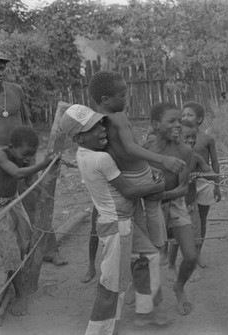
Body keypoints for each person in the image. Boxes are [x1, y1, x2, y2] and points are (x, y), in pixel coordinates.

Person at [60, 105, 167, 334]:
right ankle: (98, 331)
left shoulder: (85, 154)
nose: (101, 130)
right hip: (117, 226)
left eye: (100, 123)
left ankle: (145, 311)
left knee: (150, 256)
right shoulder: (101, 160)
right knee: (111, 285)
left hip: (121, 223)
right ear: (79, 137)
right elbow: (128, 191)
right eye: (93, 128)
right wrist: (157, 186)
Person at [81, 70, 184, 284]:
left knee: (137, 217)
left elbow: (118, 150)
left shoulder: (100, 120)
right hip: (134, 177)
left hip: (129, 175)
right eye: (123, 94)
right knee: (153, 209)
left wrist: (149, 164)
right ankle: (156, 247)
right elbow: (128, 147)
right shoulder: (115, 117)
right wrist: (162, 160)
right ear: (105, 100)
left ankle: (146, 253)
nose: (127, 98)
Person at [0, 47, 67, 266]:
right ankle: (14, 256)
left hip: (23, 154)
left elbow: (27, 120)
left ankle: (50, 250)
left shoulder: (16, 90)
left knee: (34, 199)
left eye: (1, 67)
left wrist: (32, 149)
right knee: (5, 205)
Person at [0, 125, 57, 316]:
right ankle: (20, 294)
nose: (27, 159)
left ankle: (15, 273)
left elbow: (28, 180)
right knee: (11, 250)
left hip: (13, 200)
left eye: (31, 155)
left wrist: (42, 192)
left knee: (25, 242)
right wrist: (42, 164)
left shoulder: (22, 158)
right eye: (25, 155)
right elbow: (17, 174)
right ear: (10, 146)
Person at [148, 102, 198, 316]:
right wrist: (154, 198)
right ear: (155, 125)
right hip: (150, 204)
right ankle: (141, 289)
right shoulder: (146, 149)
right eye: (172, 121)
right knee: (147, 256)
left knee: (190, 256)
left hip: (173, 202)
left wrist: (164, 196)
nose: (178, 125)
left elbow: (183, 188)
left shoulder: (184, 151)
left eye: (179, 120)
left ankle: (179, 286)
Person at [167, 119, 214, 283]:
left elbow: (212, 175)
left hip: (191, 204)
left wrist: (200, 175)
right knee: (174, 241)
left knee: (194, 238)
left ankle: (190, 268)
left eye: (193, 137)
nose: (191, 140)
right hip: (175, 205)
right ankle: (171, 266)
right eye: (186, 137)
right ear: (176, 137)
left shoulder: (196, 158)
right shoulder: (169, 158)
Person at [181, 101, 220, 268]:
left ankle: (198, 253)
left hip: (204, 182)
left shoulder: (207, 139)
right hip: (185, 182)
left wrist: (217, 185)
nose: (185, 117)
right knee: (185, 219)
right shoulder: (178, 138)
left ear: (200, 119)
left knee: (202, 220)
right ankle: (186, 254)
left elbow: (215, 163)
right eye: (183, 115)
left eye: (189, 115)